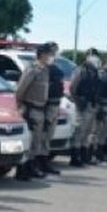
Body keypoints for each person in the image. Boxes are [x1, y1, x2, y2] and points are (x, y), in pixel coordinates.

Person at [14, 43, 51, 180]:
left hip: (41, 109)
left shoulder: (45, 70)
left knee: (36, 141)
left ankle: (31, 167)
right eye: (49, 54)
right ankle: (22, 170)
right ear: (42, 54)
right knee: (28, 141)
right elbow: (20, 90)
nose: (51, 57)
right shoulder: (33, 69)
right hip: (31, 109)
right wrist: (22, 107)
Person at [68, 48, 101, 166]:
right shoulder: (81, 70)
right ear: (86, 57)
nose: (94, 57)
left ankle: (83, 156)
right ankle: (74, 157)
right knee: (79, 131)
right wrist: (79, 102)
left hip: (91, 105)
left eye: (95, 55)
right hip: (82, 105)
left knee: (87, 132)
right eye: (91, 55)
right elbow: (73, 88)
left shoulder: (95, 71)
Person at [39, 42, 63, 175]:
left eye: (55, 52)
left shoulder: (54, 68)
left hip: (54, 105)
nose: (54, 54)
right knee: (42, 136)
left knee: (48, 136)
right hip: (45, 106)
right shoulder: (41, 69)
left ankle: (44, 161)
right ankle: (38, 163)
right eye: (51, 52)